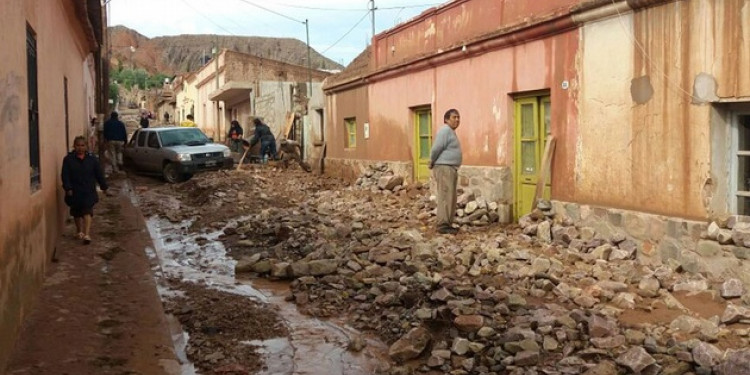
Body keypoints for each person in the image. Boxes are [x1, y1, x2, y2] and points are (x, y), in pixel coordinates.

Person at [61, 136, 110, 245]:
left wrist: (104, 187)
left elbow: (99, 175)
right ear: (74, 146)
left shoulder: (92, 160)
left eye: (82, 145)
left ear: (86, 146)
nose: (80, 148)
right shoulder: (68, 160)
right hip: (74, 190)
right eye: (78, 145)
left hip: (88, 190)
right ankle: (79, 231)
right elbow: (65, 175)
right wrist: (68, 187)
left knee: (87, 211)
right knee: (76, 212)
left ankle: (87, 234)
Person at [429, 109, 462, 235]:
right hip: (444, 167)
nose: (457, 120)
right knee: (445, 195)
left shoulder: (451, 132)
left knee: (451, 197)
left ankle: (447, 223)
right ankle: (443, 224)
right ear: (446, 119)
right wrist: (431, 161)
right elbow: (436, 147)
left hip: (450, 168)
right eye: (454, 117)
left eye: (458, 117)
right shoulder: (445, 130)